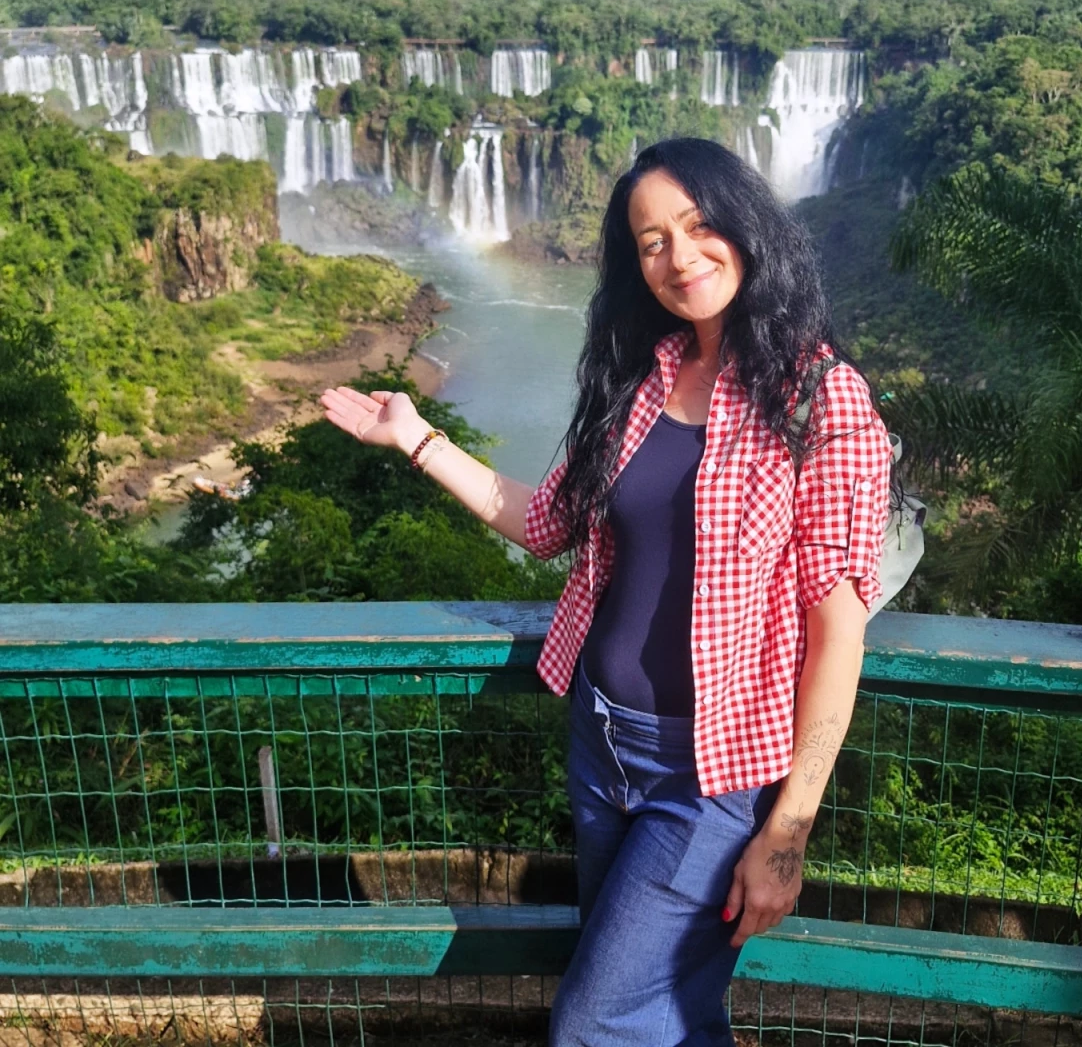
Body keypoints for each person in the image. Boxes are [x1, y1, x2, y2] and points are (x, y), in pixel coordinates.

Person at [320, 137, 893, 1046]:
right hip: (602, 742)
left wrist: (788, 832)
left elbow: (839, 633)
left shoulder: (822, 400)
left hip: (715, 774)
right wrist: (418, 439)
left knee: (591, 1023)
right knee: (669, 1013)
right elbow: (549, 522)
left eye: (698, 226)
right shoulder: (646, 377)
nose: (679, 256)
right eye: (651, 240)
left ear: (747, 225)